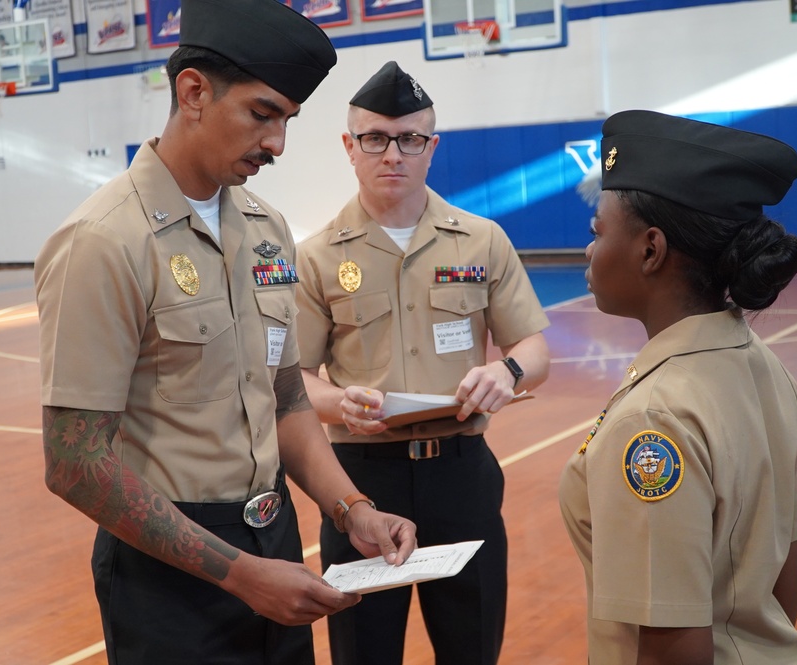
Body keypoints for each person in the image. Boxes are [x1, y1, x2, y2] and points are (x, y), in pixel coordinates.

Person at [33, 3, 417, 663]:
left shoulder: (266, 231)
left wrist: (350, 506)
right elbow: (75, 464)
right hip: (169, 572)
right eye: (263, 114)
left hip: (275, 543)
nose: (277, 144)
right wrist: (239, 573)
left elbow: (287, 398)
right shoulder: (105, 241)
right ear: (193, 93)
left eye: (287, 121)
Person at [295, 61, 552, 665]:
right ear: (349, 148)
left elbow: (533, 349)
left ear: (431, 147)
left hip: (461, 475)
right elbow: (293, 380)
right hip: (360, 483)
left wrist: (505, 373)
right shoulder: (316, 258)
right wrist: (339, 403)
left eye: (410, 139)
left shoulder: (482, 240)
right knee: (364, 652)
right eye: (375, 138)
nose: (393, 154)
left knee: (472, 647)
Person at [559, 109, 797, 664]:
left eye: (597, 231)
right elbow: (784, 580)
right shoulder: (766, 367)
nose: (588, 249)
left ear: (650, 250)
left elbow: (669, 646)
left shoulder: (653, 417)